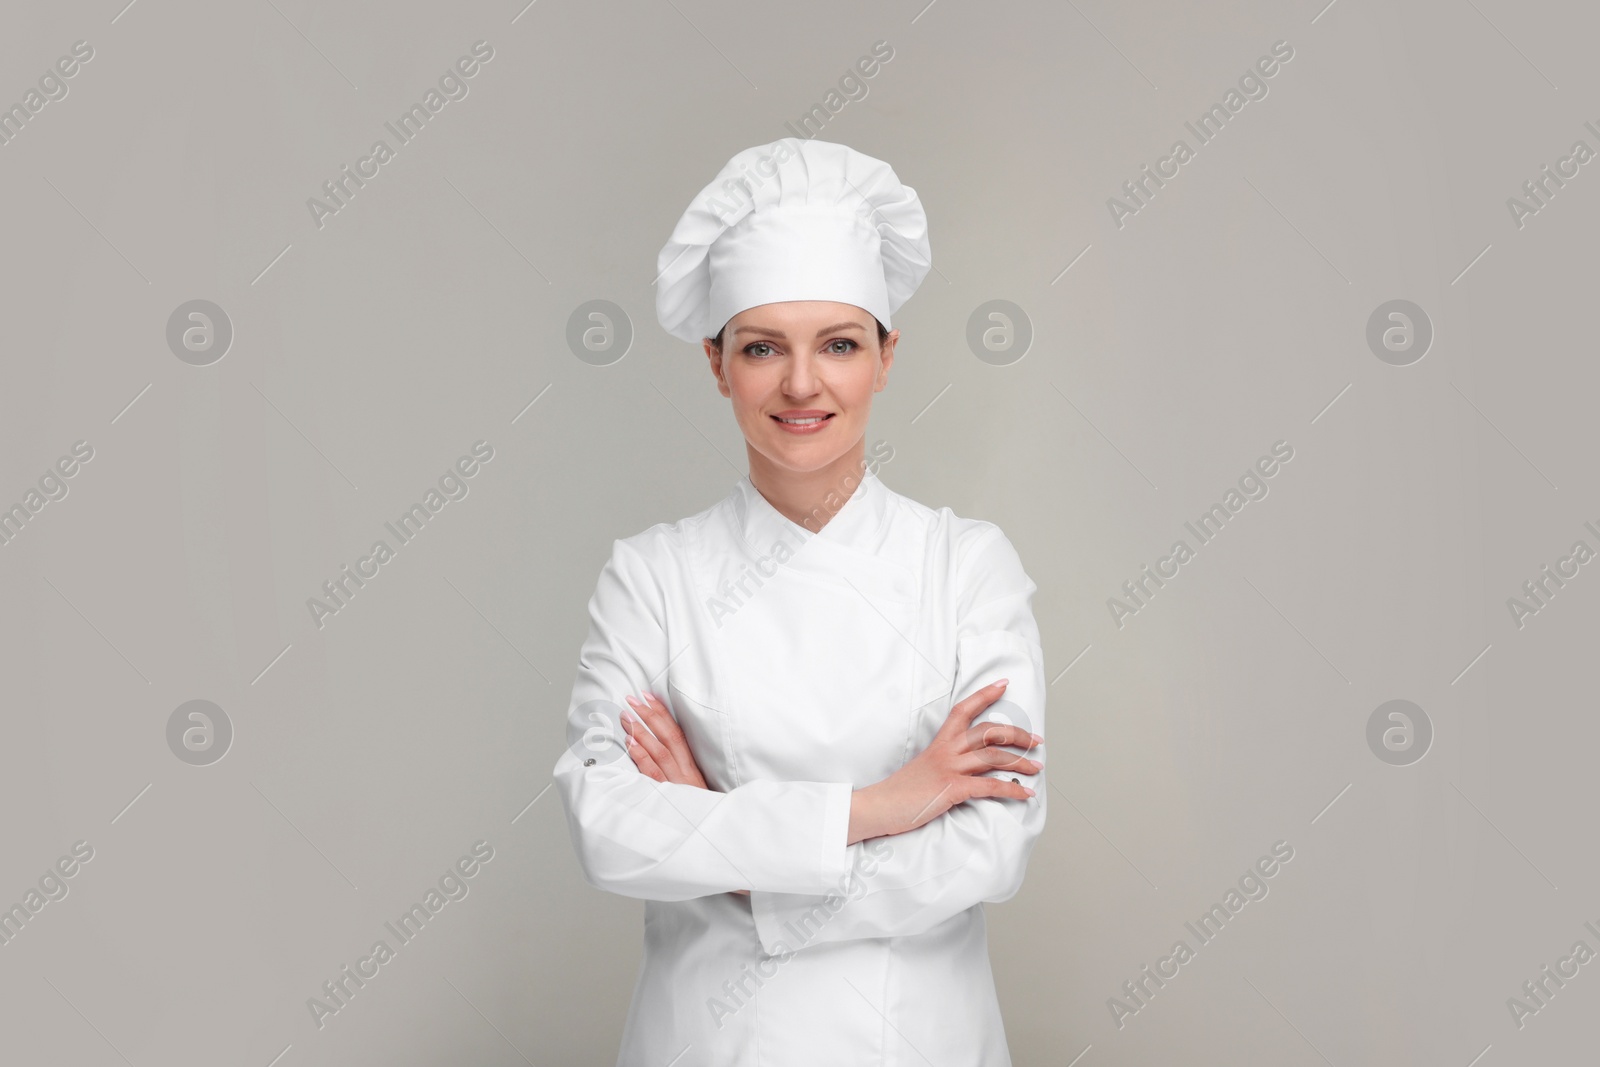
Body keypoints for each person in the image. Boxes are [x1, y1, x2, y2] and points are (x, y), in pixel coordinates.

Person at [552, 137, 1048, 1066]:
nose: (802, 383)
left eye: (840, 344)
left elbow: (990, 845)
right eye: (763, 347)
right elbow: (604, 823)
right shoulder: (652, 576)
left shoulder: (965, 566)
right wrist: (886, 803)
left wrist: (730, 852)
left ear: (887, 357)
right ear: (716, 361)